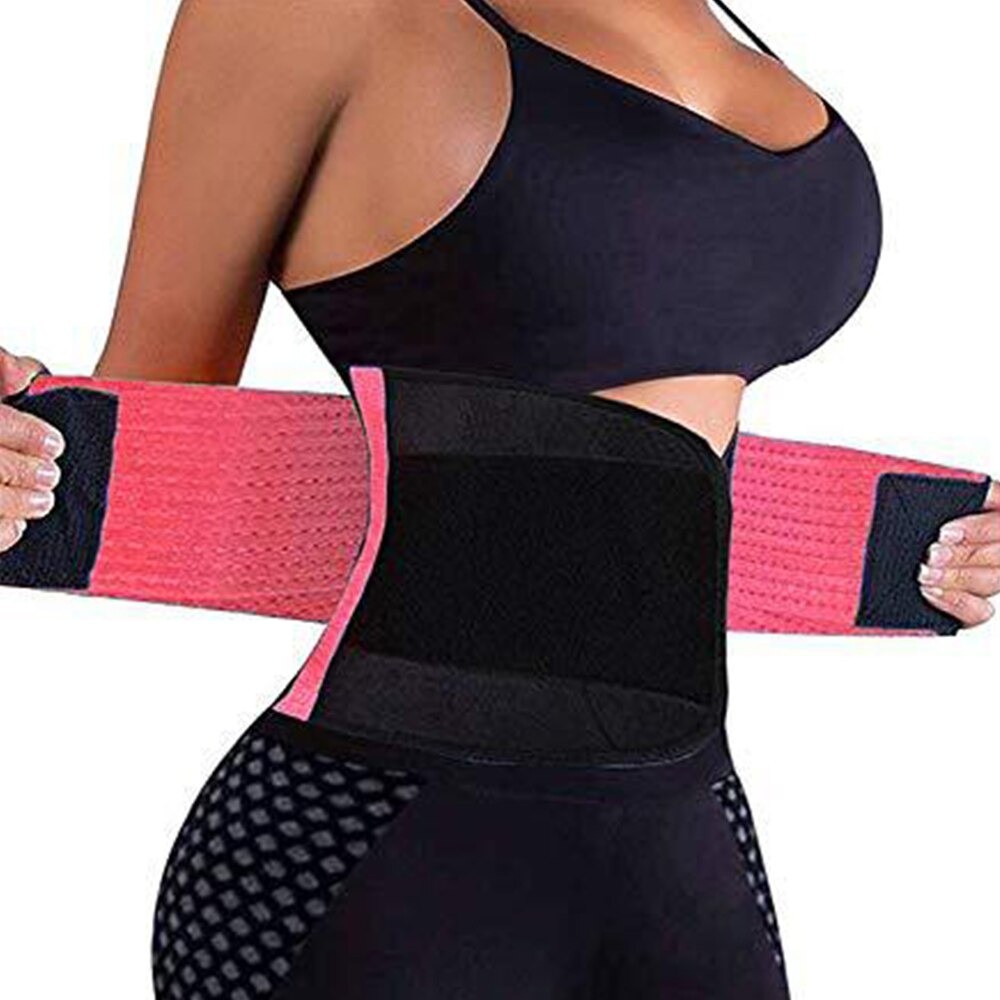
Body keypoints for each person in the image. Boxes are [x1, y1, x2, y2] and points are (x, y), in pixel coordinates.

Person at [0, 3, 997, 998]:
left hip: (682, 833)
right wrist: (30, 460)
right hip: (367, 839)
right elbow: (155, 429)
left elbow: (643, 494)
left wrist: (921, 551)